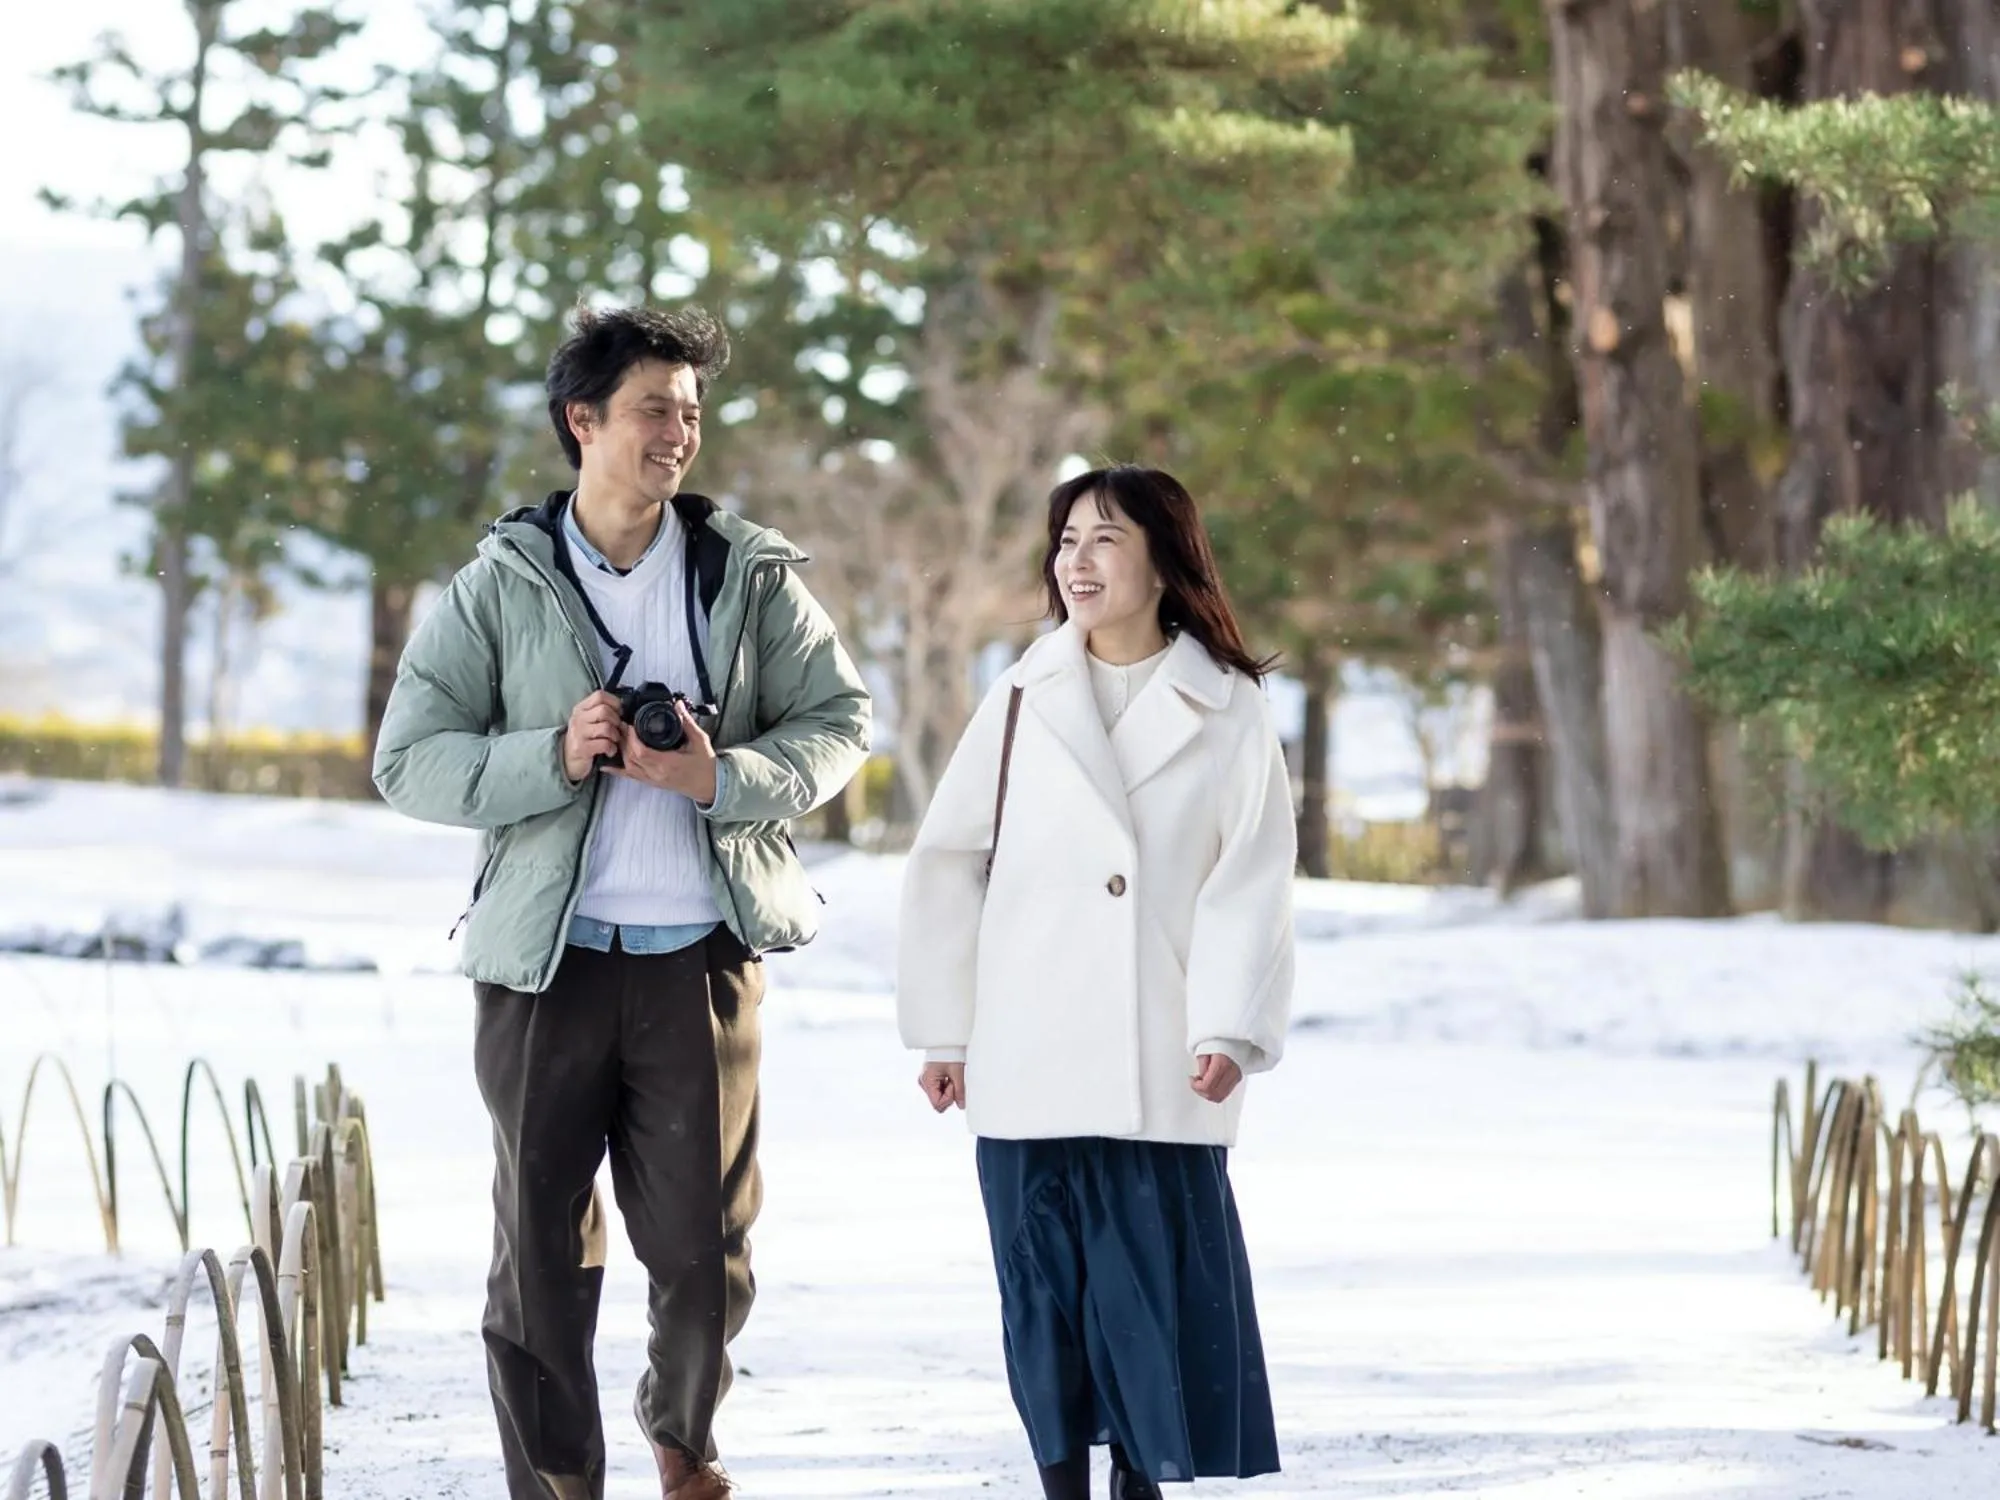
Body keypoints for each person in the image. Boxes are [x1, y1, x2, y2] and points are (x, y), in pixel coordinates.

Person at [374, 304, 871, 1500]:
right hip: (543, 969)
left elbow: (840, 723)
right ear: (581, 421)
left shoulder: (748, 575)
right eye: (655, 408)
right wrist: (551, 753)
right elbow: (408, 759)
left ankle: (680, 1429)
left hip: (699, 959)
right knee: (540, 1256)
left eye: (693, 412)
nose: (679, 433)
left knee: (703, 1254)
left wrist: (721, 776)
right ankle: (558, 1483)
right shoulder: (496, 588)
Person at [897, 465, 1295, 1498]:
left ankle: (1138, 1487)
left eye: (1104, 539)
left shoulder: (1230, 705)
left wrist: (1228, 1026)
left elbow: (1248, 882)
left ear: (1164, 561)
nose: (1076, 561)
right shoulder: (1022, 693)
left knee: (1146, 1306)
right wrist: (943, 1033)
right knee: (1045, 1303)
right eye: (1065, 540)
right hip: (1028, 1054)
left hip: (1160, 1058)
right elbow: (947, 859)